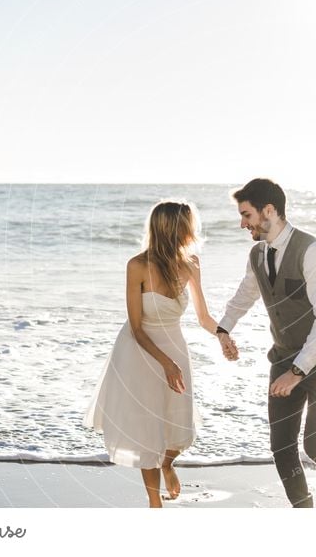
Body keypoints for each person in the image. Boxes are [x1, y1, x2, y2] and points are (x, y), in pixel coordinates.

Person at [216, 178, 316, 508]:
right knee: (281, 446)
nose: (242, 223)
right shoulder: (257, 254)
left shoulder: (313, 251)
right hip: (284, 356)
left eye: (247, 215)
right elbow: (246, 293)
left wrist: (298, 372)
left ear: (269, 211)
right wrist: (224, 330)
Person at [83, 200, 237, 508]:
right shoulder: (137, 266)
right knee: (146, 428)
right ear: (176, 228)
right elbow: (137, 328)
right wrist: (165, 363)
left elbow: (204, 317)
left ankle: (167, 464)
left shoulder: (191, 265)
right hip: (139, 351)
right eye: (188, 225)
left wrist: (223, 336)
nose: (193, 230)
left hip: (174, 348)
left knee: (179, 424)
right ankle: (155, 503)